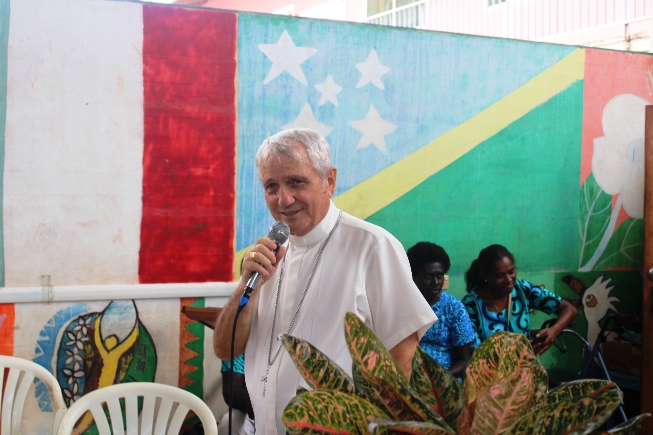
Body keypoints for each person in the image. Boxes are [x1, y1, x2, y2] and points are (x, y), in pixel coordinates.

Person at [213, 128, 437, 435]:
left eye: (296, 182)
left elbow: (401, 354)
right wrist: (246, 287)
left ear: (329, 181)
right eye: (271, 186)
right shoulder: (266, 256)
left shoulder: (372, 246)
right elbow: (225, 350)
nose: (284, 198)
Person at [461, 244, 577, 355]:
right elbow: (475, 353)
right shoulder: (471, 305)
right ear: (484, 276)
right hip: (491, 373)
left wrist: (554, 330)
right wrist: (518, 354)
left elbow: (569, 309)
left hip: (525, 370)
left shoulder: (523, 289)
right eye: (499, 276)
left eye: (511, 272)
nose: (508, 279)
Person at [407, 242, 475, 378]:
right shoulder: (401, 305)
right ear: (413, 276)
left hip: (445, 385)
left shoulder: (454, 308)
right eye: (428, 276)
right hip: (405, 380)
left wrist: (441, 379)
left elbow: (464, 359)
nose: (436, 282)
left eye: (440, 276)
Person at [218, 354, 256, 435]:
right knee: (228, 424)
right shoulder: (238, 344)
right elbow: (231, 391)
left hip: (286, 408)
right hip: (253, 411)